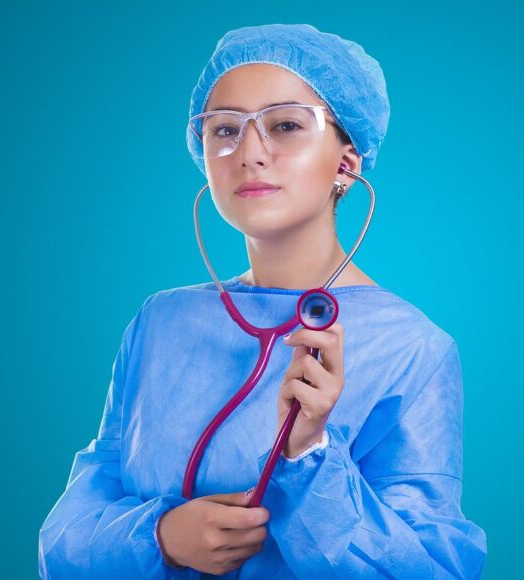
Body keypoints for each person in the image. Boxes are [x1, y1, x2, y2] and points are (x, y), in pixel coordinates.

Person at [38, 24, 487, 579]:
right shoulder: (160, 322)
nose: (249, 153)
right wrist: (161, 537)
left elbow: (431, 570)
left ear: (346, 163)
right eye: (225, 129)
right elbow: (66, 538)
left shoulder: (413, 347)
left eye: (286, 125)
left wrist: (308, 455)